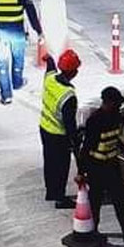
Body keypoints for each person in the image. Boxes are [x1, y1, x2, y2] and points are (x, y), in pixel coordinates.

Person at [78, 87, 124, 243]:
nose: (119, 106)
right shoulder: (95, 120)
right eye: (117, 103)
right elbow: (86, 148)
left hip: (112, 165)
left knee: (121, 201)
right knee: (95, 203)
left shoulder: (116, 116)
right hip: (96, 168)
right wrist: (81, 171)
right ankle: (92, 232)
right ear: (108, 102)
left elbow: (115, 138)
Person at [40, 49, 81, 209]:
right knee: (61, 166)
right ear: (74, 72)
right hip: (58, 135)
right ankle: (59, 197)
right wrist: (75, 142)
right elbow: (69, 124)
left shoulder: (50, 79)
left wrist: (49, 59)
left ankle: (51, 192)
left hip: (44, 128)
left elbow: (50, 68)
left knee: (49, 162)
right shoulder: (68, 96)